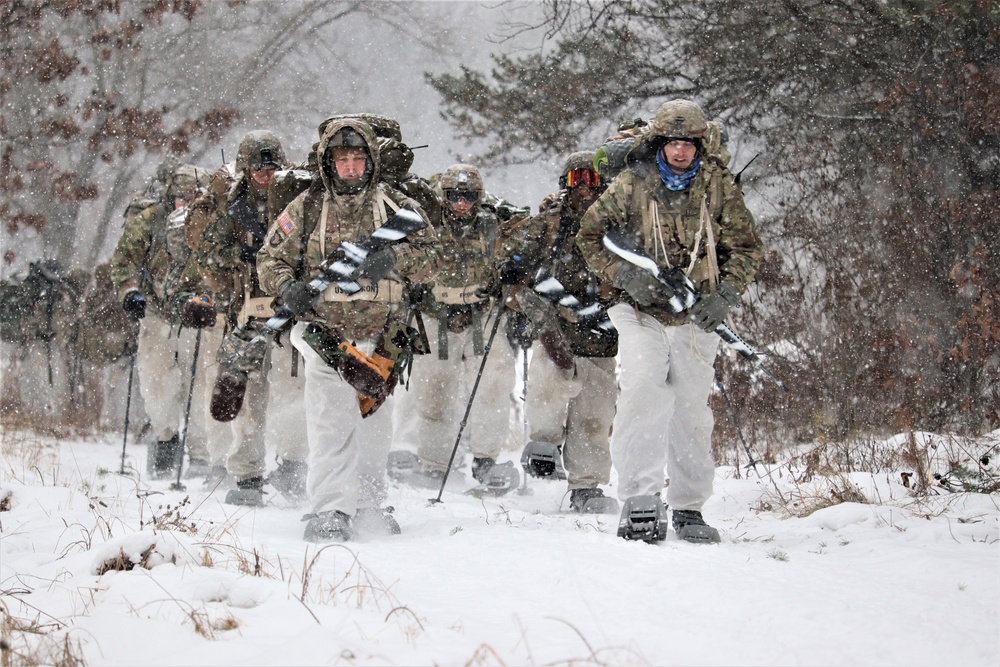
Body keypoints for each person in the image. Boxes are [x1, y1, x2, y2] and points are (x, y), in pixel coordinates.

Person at [576, 99, 764, 542]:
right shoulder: (631, 183)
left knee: (690, 409)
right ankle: (640, 497)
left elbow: (747, 248)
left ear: (700, 145)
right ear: (660, 143)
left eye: (689, 143)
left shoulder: (718, 186)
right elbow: (589, 236)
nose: (681, 152)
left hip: (697, 313)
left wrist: (726, 297)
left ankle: (688, 507)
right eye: (673, 142)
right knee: (642, 390)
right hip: (638, 310)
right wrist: (626, 276)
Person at [257, 116, 441, 541]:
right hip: (328, 337)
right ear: (328, 162)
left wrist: (394, 260)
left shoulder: (397, 207)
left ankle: (371, 504)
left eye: (359, 158)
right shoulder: (305, 208)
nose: (352, 167)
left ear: (371, 161)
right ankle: (331, 509)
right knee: (330, 424)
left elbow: (434, 259)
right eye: (343, 159)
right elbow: (270, 259)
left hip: (384, 337)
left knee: (375, 427)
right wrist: (289, 288)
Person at [188, 130, 309, 505]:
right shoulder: (231, 204)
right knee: (246, 395)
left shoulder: (298, 198)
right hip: (248, 309)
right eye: (257, 165)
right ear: (245, 167)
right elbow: (206, 250)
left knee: (294, 392)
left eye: (271, 165)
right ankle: (247, 475)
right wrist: (242, 255)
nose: (265, 173)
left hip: (289, 309)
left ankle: (292, 463)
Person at [497, 151, 619, 513]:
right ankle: (543, 447)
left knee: (595, 414)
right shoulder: (547, 226)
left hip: (601, 330)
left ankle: (587, 486)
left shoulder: (618, 223)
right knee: (547, 393)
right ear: (565, 183)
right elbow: (512, 282)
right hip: (555, 328)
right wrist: (539, 313)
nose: (584, 187)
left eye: (592, 179)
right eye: (576, 179)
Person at [389, 164, 521, 493]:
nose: (461, 203)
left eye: (469, 197)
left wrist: (514, 268)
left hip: (483, 312)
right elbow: (404, 253)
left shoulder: (494, 223)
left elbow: (526, 234)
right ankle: (434, 462)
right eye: (454, 196)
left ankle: (486, 458)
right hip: (437, 312)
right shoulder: (427, 223)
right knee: (434, 389)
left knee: (493, 384)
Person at [108, 162, 212, 479]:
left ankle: (201, 454)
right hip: (157, 311)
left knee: (201, 385)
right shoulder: (150, 221)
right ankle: (165, 439)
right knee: (156, 384)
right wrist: (130, 292)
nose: (187, 204)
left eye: (194, 198)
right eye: (181, 198)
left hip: (198, 313)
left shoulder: (214, 224)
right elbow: (124, 260)